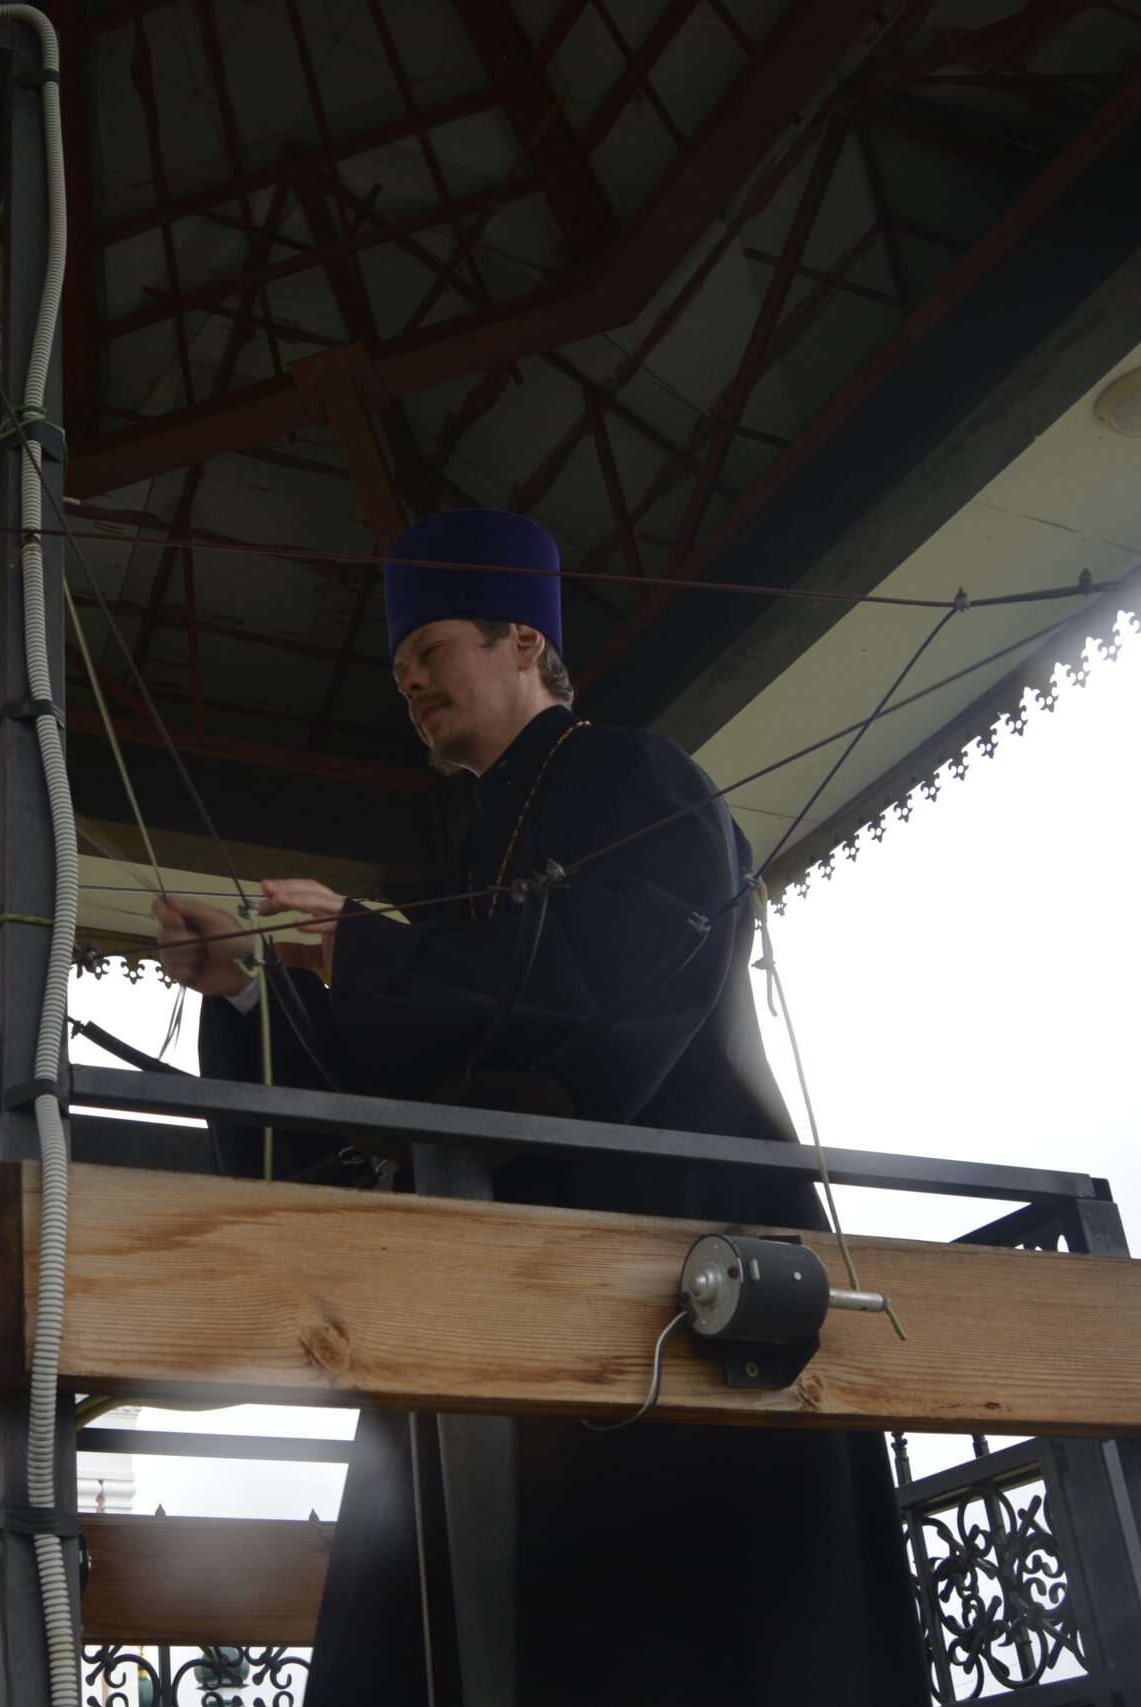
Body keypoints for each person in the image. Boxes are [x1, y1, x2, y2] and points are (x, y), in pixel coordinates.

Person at [152, 509, 923, 1705]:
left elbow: (606, 1005)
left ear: (523, 643)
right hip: (510, 1267)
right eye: (398, 671)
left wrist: (361, 947)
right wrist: (253, 985)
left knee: (673, 1633)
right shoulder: (474, 854)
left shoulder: (633, 775)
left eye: (430, 651)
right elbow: (421, 1064)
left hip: (680, 1254)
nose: (410, 683)